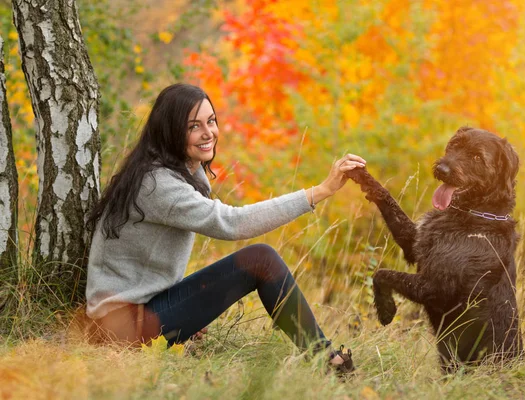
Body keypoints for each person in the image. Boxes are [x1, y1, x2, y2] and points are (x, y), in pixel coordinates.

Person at [85, 83, 365, 374]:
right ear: (170, 131)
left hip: (136, 314)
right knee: (261, 260)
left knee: (259, 260)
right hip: (121, 329)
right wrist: (319, 191)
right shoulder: (158, 185)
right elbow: (233, 223)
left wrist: (186, 309)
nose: (208, 133)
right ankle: (328, 362)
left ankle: (327, 360)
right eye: (194, 126)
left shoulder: (174, 170)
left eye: (211, 121)